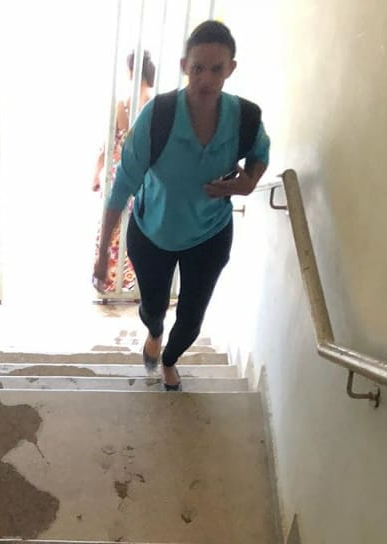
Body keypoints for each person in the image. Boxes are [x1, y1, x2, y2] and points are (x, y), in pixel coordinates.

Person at [93, 20, 270, 389]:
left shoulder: (245, 117)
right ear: (183, 66)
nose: (206, 79)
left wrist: (250, 181)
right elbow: (123, 184)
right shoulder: (158, 116)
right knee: (153, 307)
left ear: (231, 68)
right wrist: (102, 252)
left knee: (191, 319)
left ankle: (170, 359)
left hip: (210, 234)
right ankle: (154, 333)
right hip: (152, 232)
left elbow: (260, 153)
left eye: (216, 69)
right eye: (197, 68)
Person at [90, 49, 157, 296]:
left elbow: (109, 145)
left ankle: (109, 283)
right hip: (148, 180)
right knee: (141, 232)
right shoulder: (157, 105)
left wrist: (95, 174)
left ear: (131, 71)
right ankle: (137, 286)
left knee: (113, 231)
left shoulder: (123, 104)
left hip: (120, 176)